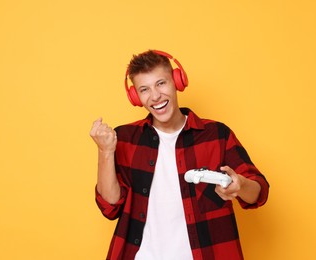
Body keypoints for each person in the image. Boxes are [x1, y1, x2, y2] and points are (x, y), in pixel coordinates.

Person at [89, 50, 269, 260]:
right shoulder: (125, 138)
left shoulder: (216, 134)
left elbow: (259, 191)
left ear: (177, 82)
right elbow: (110, 207)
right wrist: (105, 151)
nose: (155, 96)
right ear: (136, 97)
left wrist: (241, 185)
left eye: (161, 83)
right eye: (144, 89)